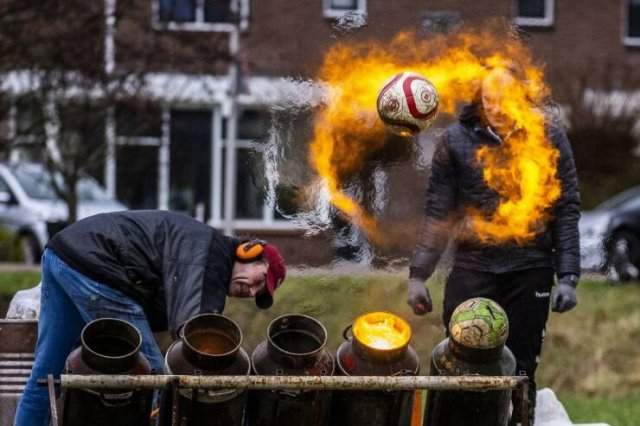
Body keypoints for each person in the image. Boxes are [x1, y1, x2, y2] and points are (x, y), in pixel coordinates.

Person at [406, 67, 581, 425]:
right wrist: (418, 274)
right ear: (479, 99)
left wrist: (568, 276)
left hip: (530, 268)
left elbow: (565, 208)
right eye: (489, 100)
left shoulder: (548, 138)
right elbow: (438, 211)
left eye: (505, 100)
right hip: (473, 267)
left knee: (520, 368)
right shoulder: (454, 141)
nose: (497, 108)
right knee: (458, 363)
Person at [15, 210, 287, 426]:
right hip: (96, 265)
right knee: (153, 375)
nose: (250, 291)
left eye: (256, 294)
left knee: (46, 371)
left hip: (62, 253)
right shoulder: (210, 255)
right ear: (249, 250)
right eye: (258, 281)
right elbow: (194, 330)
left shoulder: (205, 252)